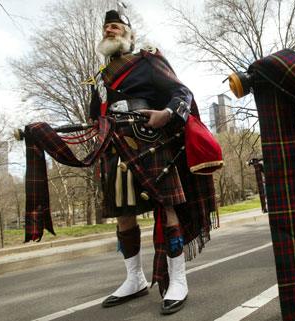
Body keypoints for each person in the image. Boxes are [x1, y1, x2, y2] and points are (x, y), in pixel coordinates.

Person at [88, 8, 218, 315]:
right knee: (123, 215)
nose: (110, 30)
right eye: (107, 27)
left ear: (130, 35)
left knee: (167, 208)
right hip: (115, 147)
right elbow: (96, 116)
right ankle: (134, 279)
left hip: (150, 141)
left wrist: (169, 115)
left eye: (116, 26)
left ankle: (178, 280)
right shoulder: (99, 78)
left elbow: (181, 91)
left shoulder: (147, 60)